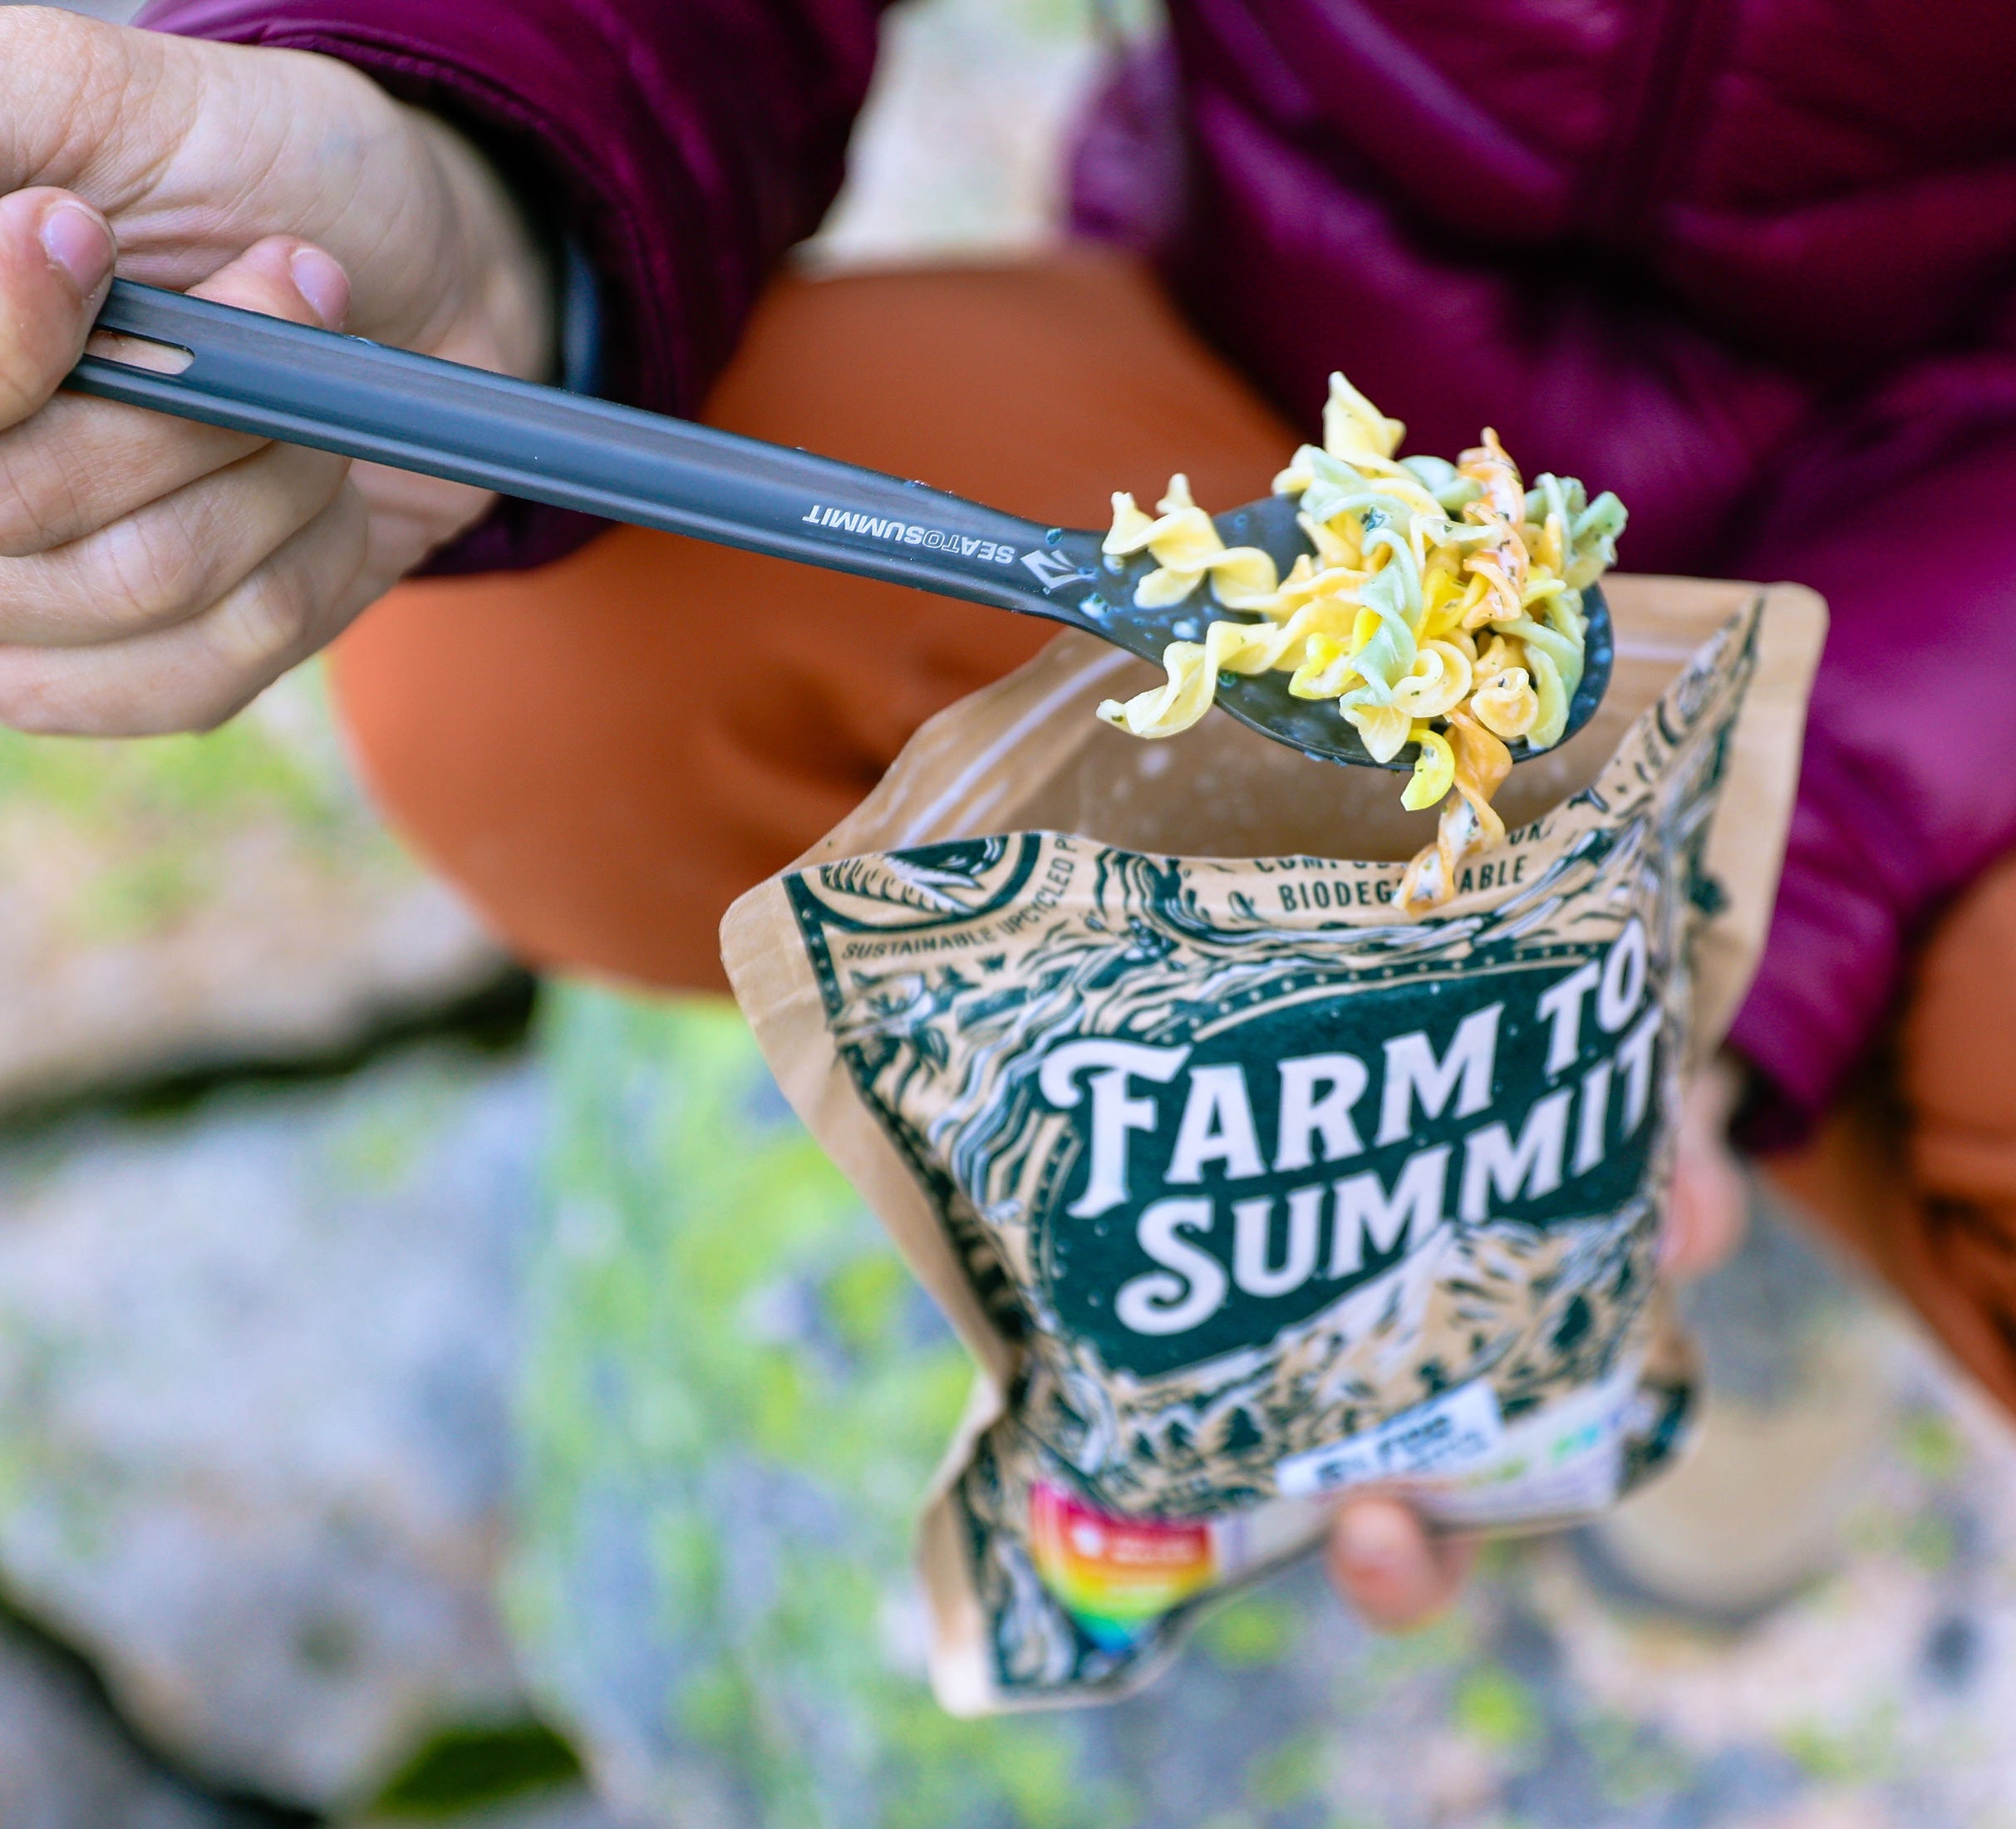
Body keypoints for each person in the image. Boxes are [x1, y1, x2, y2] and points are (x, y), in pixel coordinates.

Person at [0, 0, 2009, 1634]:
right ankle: (1446, 1173)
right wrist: (468, 178)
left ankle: (1725, 1207)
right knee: (558, 685)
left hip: (1963, 594)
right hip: (1279, 423)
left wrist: (1755, 902)